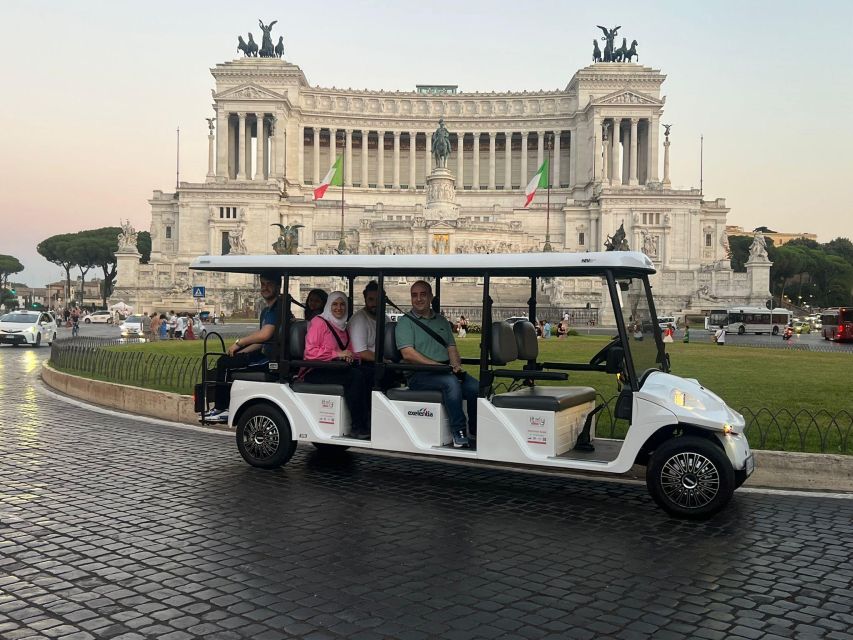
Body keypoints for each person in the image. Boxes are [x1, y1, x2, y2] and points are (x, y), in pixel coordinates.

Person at [395, 280, 479, 449]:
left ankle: (476, 430)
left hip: (444, 370)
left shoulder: (441, 321)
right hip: (419, 374)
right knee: (451, 384)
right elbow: (408, 354)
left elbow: (451, 347)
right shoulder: (405, 322)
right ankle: (459, 431)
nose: (418, 299)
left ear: (431, 297)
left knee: (475, 387)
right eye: (414, 295)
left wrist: (455, 366)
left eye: (423, 294)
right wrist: (436, 366)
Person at [204, 273, 281, 423]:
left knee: (225, 364)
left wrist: (240, 343)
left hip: (270, 359)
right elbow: (261, 341)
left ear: (278, 286)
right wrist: (240, 352)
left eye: (269, 284)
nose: (265, 288)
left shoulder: (277, 308)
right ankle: (221, 407)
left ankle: (223, 408)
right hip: (265, 353)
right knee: (229, 359)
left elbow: (265, 335)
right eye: (263, 284)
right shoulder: (267, 310)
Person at [301, 291, 371, 439]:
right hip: (315, 370)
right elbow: (310, 352)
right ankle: (358, 426)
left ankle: (369, 421)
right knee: (355, 377)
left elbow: (349, 350)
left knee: (368, 373)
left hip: (336, 368)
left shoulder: (342, 328)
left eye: (342, 304)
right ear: (328, 306)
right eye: (335, 304)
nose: (339, 308)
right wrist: (337, 354)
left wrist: (353, 357)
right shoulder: (319, 323)